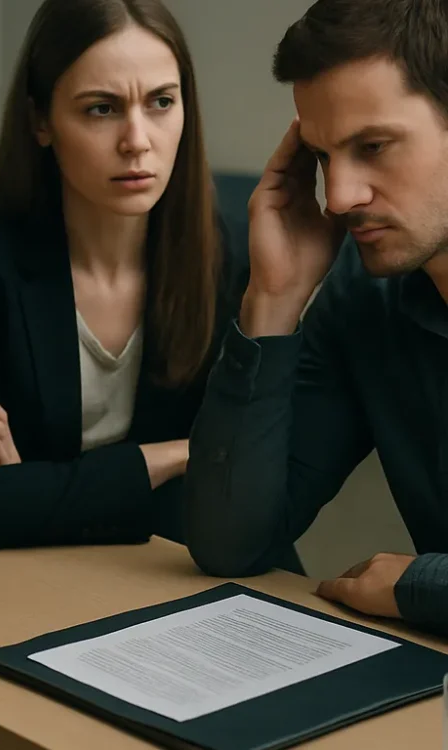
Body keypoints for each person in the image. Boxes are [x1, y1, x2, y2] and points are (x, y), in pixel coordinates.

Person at [0, 0, 301, 575]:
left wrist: (33, 488)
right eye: (101, 109)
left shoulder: (224, 257)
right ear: (41, 121)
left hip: (135, 585)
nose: (137, 140)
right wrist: (173, 456)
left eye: (160, 103)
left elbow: (234, 493)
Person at [184, 0, 448, 633]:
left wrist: (423, 584)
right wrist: (272, 302)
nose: (341, 196)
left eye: (374, 146)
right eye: (325, 157)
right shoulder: (365, 299)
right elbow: (230, 544)